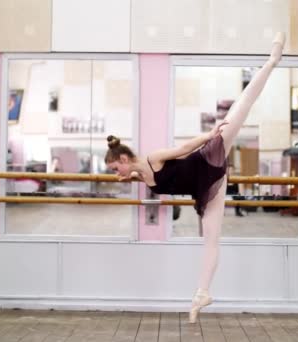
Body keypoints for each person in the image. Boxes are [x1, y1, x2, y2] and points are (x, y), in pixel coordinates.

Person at [104, 32, 285, 323]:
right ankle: (203, 293)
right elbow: (157, 181)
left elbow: (184, 148)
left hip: (207, 157)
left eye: (115, 169)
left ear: (123, 159)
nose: (116, 175)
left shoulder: (152, 158)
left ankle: (272, 60)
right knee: (211, 239)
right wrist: (130, 179)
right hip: (207, 187)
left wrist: (210, 135)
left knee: (241, 108)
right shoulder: (141, 175)